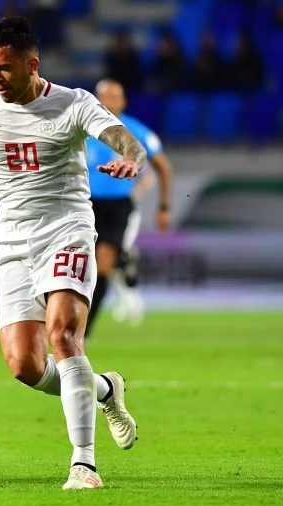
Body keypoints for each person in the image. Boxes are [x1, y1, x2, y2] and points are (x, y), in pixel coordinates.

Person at [0, 17, 142, 490]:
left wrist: (129, 159)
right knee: (24, 365)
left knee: (64, 335)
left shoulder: (73, 103)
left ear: (32, 64)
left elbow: (125, 140)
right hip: (13, 241)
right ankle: (104, 388)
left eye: (6, 67)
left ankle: (84, 465)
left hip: (67, 231)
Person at [85, 79, 173, 335]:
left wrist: (164, 207)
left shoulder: (135, 131)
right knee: (80, 270)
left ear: (123, 102)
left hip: (117, 207)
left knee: (102, 267)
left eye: (114, 97)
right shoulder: (83, 130)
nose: (108, 103)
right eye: (103, 97)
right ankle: (124, 264)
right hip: (84, 206)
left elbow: (163, 167)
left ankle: (83, 333)